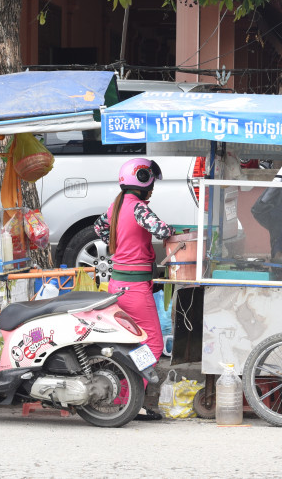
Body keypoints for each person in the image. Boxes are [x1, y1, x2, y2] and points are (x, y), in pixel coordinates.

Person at [93, 157, 171, 422]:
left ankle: (126, 394)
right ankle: (132, 398)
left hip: (117, 284)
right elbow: (160, 229)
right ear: (142, 180)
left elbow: (99, 228)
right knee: (153, 343)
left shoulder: (116, 206)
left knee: (133, 341)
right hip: (136, 287)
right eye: (152, 184)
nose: (152, 190)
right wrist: (175, 231)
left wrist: (122, 243)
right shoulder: (138, 207)